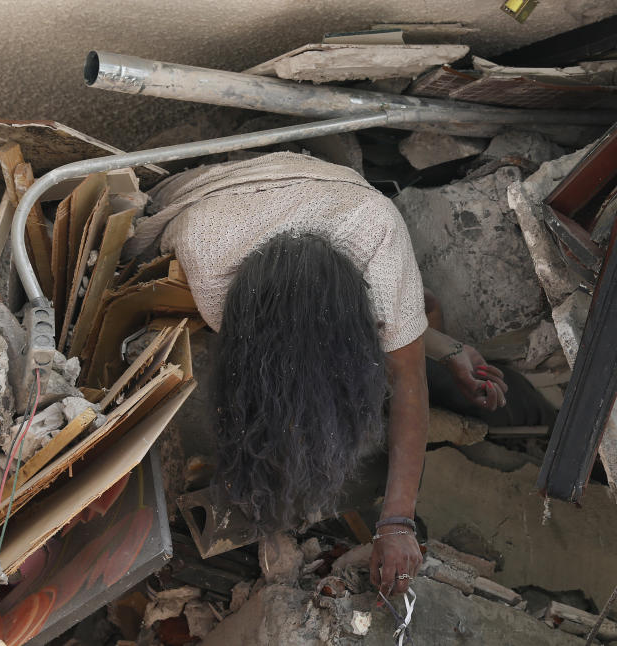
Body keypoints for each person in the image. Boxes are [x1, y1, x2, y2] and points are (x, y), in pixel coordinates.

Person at [126, 151, 508, 597]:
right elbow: (260, 382)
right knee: (277, 400)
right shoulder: (208, 259)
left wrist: (398, 521)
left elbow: (408, 380)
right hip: (215, 193)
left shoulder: (379, 231)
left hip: (333, 191)